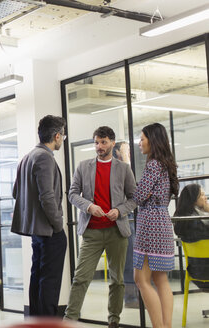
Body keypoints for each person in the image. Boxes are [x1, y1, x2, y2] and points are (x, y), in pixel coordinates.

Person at [64, 127, 137, 327]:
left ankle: (114, 320)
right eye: (96, 142)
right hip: (91, 232)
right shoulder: (83, 166)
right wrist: (88, 206)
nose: (99, 147)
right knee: (80, 278)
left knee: (117, 280)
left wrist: (120, 210)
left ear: (112, 143)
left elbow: (134, 198)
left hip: (117, 232)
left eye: (103, 142)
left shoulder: (123, 169)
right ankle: (69, 320)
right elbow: (72, 194)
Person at [11, 115, 67, 317]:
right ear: (57, 136)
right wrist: (58, 225)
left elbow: (15, 192)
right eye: (63, 136)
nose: (63, 140)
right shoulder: (44, 157)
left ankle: (35, 321)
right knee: (49, 283)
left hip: (37, 231)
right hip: (50, 231)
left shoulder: (28, 156)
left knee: (38, 279)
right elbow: (47, 197)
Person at [133, 123, 179, 328]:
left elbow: (139, 195)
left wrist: (143, 193)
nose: (140, 142)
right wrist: (145, 193)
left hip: (149, 225)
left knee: (141, 278)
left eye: (142, 138)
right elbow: (145, 194)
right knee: (160, 279)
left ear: (153, 140)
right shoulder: (166, 164)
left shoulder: (153, 165)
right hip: (162, 223)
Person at [113, 141, 139, 309]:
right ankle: (130, 298)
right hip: (123, 217)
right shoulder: (118, 167)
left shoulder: (129, 167)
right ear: (117, 153)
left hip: (133, 215)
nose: (129, 152)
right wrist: (125, 156)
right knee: (129, 258)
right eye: (125, 149)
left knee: (136, 257)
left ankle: (137, 296)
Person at [173, 183, 209, 290]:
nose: (205, 197)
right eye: (202, 195)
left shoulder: (183, 221)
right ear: (194, 200)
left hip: (195, 273)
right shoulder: (197, 222)